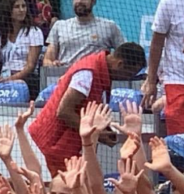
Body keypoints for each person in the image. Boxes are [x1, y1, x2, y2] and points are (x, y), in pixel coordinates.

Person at [29, 43, 146, 175]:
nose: (128, 79)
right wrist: (96, 134)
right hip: (55, 141)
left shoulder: (97, 67)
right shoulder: (87, 74)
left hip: (66, 143)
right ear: (119, 64)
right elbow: (64, 111)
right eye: (129, 74)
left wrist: (103, 131)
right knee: (70, 189)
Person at [142, 0, 184, 135]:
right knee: (182, 141)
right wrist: (151, 81)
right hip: (180, 82)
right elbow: (156, 43)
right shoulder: (168, 3)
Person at [0, 0, 44, 91]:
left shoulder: (34, 32)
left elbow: (30, 67)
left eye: (24, 6)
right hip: (3, 78)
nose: (21, 10)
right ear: (8, 10)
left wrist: (8, 80)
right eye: (17, 7)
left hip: (26, 80)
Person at [43, 0, 124, 67]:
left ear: (94, 1)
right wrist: (52, 64)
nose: (80, 1)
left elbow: (125, 55)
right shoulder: (60, 26)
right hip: (64, 79)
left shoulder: (109, 26)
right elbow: (47, 60)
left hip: (96, 80)